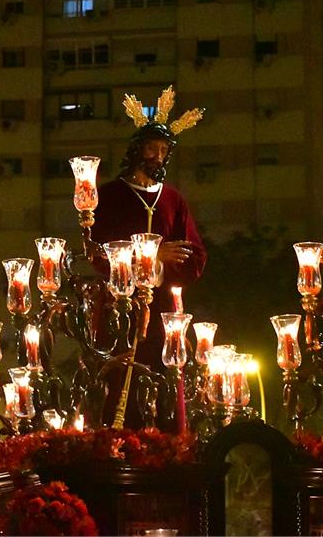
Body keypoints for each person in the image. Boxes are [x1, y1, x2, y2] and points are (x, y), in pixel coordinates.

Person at [89, 87, 206, 430]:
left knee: (166, 379)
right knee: (122, 378)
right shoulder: (109, 196)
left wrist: (168, 266)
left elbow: (195, 253)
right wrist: (153, 255)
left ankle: (167, 448)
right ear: (137, 150)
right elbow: (98, 251)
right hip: (120, 307)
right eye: (152, 148)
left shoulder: (173, 200)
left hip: (164, 312)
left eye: (164, 150)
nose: (157, 156)